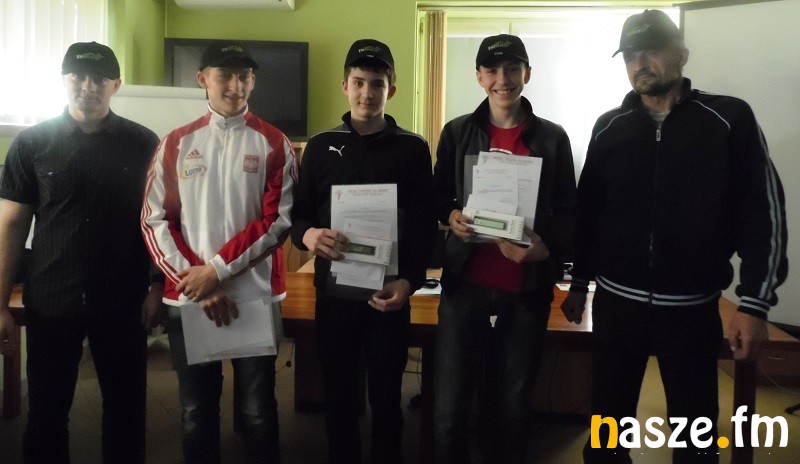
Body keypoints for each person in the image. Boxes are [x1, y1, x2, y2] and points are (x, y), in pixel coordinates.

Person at [560, 10, 788, 464]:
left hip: (691, 311)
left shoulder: (728, 119)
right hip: (617, 308)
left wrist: (754, 304)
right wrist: (580, 283)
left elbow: (763, 214)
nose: (640, 64)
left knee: (695, 437)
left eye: (651, 52)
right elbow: (589, 214)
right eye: (630, 56)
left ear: (681, 55)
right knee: (606, 434)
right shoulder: (609, 126)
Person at [0, 42, 161, 464]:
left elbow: (159, 221)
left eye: (100, 78)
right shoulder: (31, 143)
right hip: (53, 300)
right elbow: (11, 226)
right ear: (63, 79)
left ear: (116, 85)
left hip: (123, 300)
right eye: (78, 76)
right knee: (47, 414)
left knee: (126, 413)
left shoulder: (143, 143)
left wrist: (157, 285)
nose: (88, 86)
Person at [140, 41, 295, 464]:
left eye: (244, 76)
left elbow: (277, 222)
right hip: (191, 298)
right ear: (202, 79)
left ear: (253, 82)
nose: (235, 85)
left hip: (254, 296)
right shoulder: (175, 143)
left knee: (258, 411)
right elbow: (155, 220)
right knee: (196, 413)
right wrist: (198, 281)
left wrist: (216, 271)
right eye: (224, 75)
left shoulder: (275, 143)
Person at [432, 34, 578, 464]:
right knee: (450, 408)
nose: (503, 79)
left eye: (513, 69)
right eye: (492, 70)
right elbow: (438, 196)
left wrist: (545, 249)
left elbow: (569, 210)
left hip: (525, 290)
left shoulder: (552, 137)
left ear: (527, 74)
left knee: (513, 407)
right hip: (465, 285)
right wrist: (451, 214)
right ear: (479, 77)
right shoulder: (457, 131)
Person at [290, 39, 435, 464]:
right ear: (345, 86)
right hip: (335, 297)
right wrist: (309, 236)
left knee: (387, 400)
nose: (366, 93)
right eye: (358, 82)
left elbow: (425, 225)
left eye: (376, 83)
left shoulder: (413, 148)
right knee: (339, 401)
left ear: (392, 89)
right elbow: (297, 218)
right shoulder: (320, 146)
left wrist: (410, 282)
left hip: (389, 296)